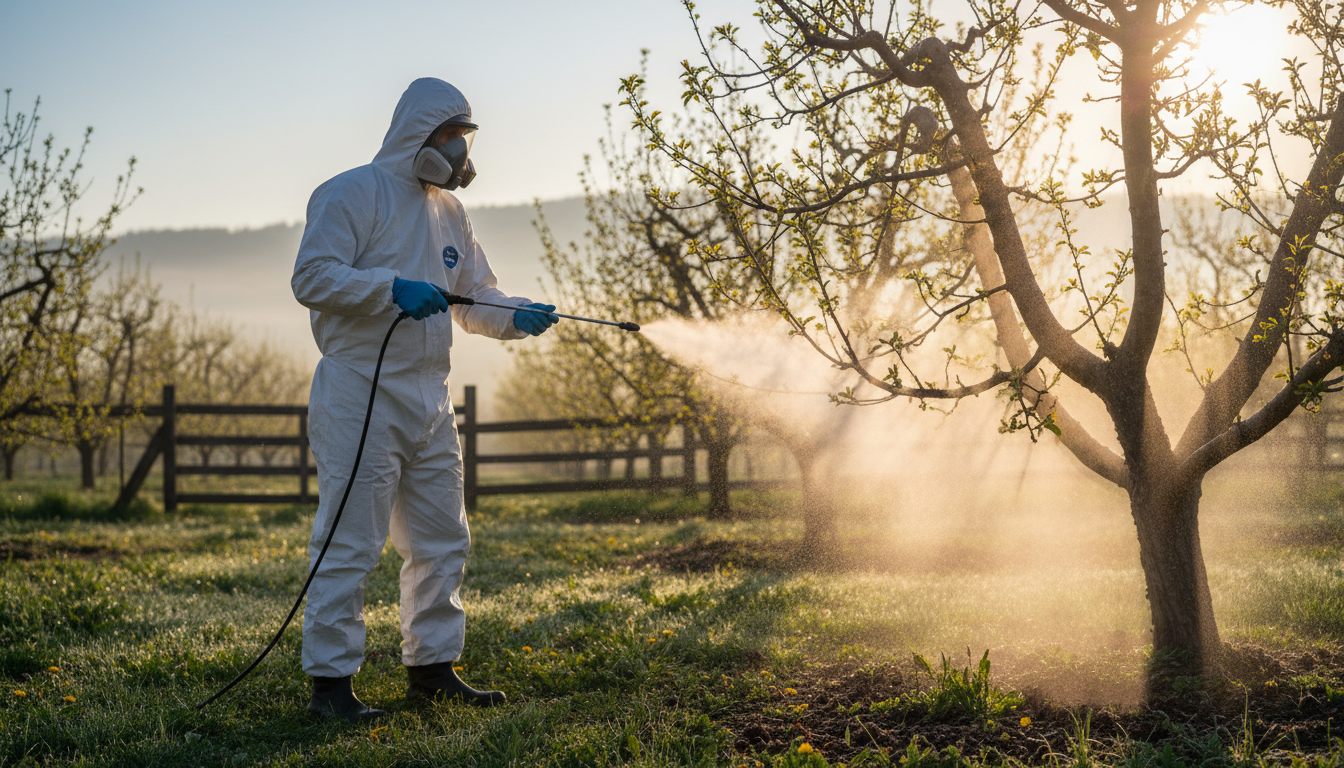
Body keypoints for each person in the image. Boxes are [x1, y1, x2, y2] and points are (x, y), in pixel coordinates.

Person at [291, 77, 558, 722]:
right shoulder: (350, 192)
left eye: (465, 138)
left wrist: (516, 315)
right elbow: (312, 277)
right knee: (350, 542)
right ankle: (331, 686)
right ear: (419, 134)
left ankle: (433, 669)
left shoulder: (451, 212)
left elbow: (475, 295)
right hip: (360, 392)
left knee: (442, 538)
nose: (460, 151)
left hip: (430, 397)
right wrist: (390, 289)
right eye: (450, 136)